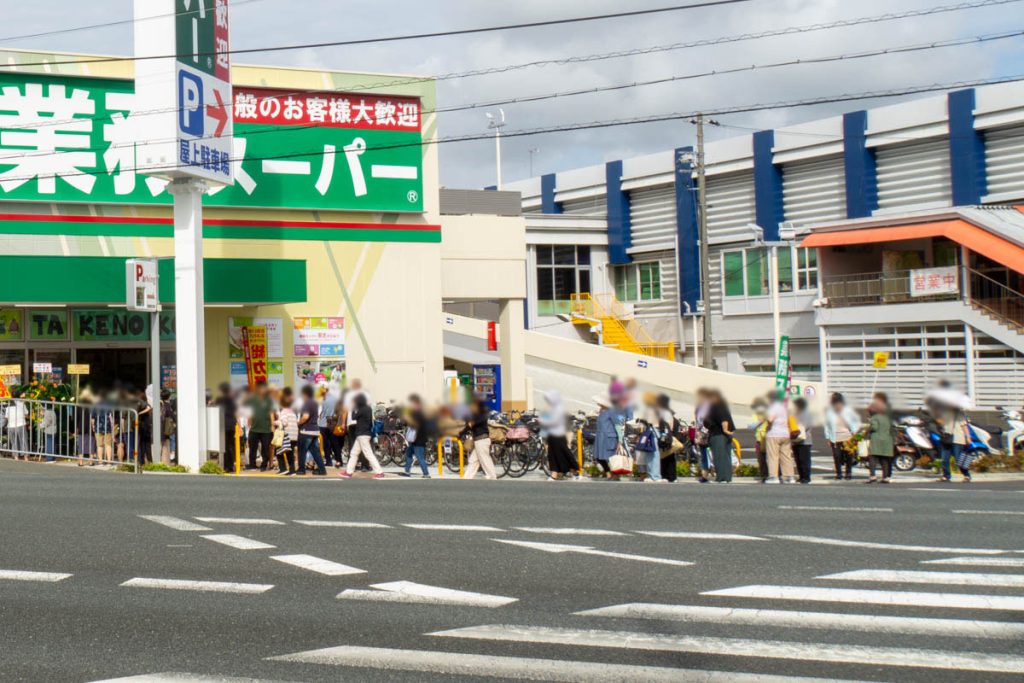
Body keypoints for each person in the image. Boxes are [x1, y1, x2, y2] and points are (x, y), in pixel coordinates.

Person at [339, 392, 384, 478]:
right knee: (354, 453)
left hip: (362, 434)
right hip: (365, 433)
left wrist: (353, 408)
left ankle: (379, 472)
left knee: (368, 453)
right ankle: (349, 472)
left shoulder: (362, 409)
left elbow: (353, 417)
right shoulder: (368, 408)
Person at [540, 390, 577, 480]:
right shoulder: (550, 409)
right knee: (552, 455)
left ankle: (575, 471)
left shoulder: (559, 410)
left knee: (564, 454)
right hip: (552, 436)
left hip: (559, 436)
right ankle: (555, 474)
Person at [934, 397, 972, 483]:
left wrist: (968, 437)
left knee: (959, 459)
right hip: (946, 438)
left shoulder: (959, 413)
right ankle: (946, 476)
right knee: (944, 459)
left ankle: (967, 475)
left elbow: (964, 426)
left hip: (957, 439)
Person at [824, 393, 861, 480]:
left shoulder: (848, 411)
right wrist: (828, 437)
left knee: (849, 456)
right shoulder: (829, 412)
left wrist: (854, 433)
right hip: (835, 437)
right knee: (837, 456)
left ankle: (848, 473)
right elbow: (827, 425)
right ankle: (839, 473)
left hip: (847, 436)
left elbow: (855, 422)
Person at [764, 390, 796, 484]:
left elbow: (770, 419)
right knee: (786, 456)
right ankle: (789, 477)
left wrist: (767, 422)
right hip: (785, 434)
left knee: (773, 456)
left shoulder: (772, 407)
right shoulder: (784, 407)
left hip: (773, 434)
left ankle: (773, 477)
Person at [704, 389, 735, 483]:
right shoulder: (722, 405)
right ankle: (727, 477)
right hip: (723, 435)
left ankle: (721, 477)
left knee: (719, 457)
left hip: (718, 434)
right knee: (726, 457)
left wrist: (725, 430)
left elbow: (724, 419)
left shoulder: (717, 405)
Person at [296, 385, 327, 476]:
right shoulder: (314, 403)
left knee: (302, 451)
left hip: (306, 430)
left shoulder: (306, 403)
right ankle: (322, 469)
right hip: (315, 430)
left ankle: (301, 469)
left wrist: (298, 423)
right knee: (315, 451)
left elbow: (305, 416)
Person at [463, 398, 497, 480]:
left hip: (482, 440)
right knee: (473, 460)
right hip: (479, 440)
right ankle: (467, 477)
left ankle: (492, 476)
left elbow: (471, 424)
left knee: (485, 459)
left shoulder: (480, 414)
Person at [245, 382, 275, 471]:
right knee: (252, 448)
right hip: (254, 428)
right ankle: (252, 465)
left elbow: (271, 413)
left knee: (265, 449)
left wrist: (272, 425)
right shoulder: (252, 399)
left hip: (266, 429)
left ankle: (264, 465)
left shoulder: (269, 400)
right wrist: (249, 421)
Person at [866, 392, 895, 484]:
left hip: (876, 439)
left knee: (872, 458)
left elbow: (874, 428)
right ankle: (885, 477)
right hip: (887, 440)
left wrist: (870, 424)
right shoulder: (888, 418)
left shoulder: (875, 417)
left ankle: (873, 476)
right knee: (884, 460)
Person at [401, 394, 431, 478]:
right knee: (409, 454)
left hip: (418, 440)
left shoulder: (419, 414)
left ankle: (426, 473)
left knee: (420, 457)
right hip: (415, 439)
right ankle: (407, 471)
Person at [656, 394, 681, 483]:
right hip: (671, 439)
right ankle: (672, 477)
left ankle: (666, 476)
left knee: (664, 458)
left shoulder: (663, 416)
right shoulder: (672, 418)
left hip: (666, 439)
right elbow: (676, 429)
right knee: (670, 458)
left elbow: (664, 427)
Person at [213, 383, 237, 472]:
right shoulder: (232, 400)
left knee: (224, 446)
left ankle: (226, 466)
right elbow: (235, 412)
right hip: (232, 425)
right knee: (231, 446)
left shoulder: (219, 399)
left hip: (223, 425)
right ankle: (231, 465)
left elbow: (216, 411)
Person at [593, 394, 618, 478]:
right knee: (598, 457)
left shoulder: (612, 411)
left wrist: (620, 439)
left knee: (610, 457)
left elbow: (618, 425)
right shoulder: (601, 411)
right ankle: (608, 473)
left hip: (609, 437)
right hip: (600, 437)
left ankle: (614, 474)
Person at [276, 387, 299, 475]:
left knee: (278, 451)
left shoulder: (284, 412)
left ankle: (283, 469)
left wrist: (276, 422)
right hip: (294, 436)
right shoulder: (292, 412)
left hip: (286, 436)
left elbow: (284, 423)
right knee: (290, 453)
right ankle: (292, 470)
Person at [792, 397, 814, 484]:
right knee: (798, 459)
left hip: (805, 440)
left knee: (804, 459)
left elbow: (807, 426)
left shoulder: (806, 414)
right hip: (795, 439)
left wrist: (798, 429)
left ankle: (806, 477)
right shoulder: (795, 414)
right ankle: (801, 476)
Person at [320, 386, 343, 467]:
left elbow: (320, 412)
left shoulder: (321, 399)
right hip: (333, 423)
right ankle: (339, 460)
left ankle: (328, 461)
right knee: (335, 443)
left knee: (326, 444)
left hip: (322, 423)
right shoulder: (335, 399)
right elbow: (339, 411)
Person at [750, 398, 770, 483]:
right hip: (759, 440)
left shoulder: (770, 414)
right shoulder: (756, 415)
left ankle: (775, 475)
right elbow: (750, 427)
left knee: (772, 458)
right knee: (761, 459)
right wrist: (760, 421)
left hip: (769, 439)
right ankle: (764, 476)